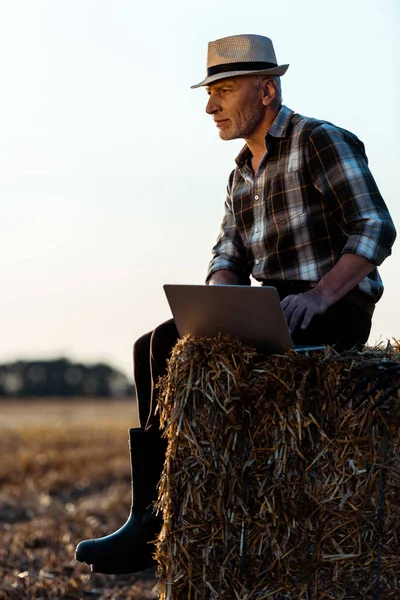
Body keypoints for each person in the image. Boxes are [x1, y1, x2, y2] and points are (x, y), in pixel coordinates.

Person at [75, 33, 396, 574]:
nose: (209, 106)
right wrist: (215, 306)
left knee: (175, 343)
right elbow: (228, 254)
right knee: (154, 344)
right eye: (209, 92)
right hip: (270, 309)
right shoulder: (239, 174)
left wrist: (318, 296)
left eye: (222, 90)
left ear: (267, 91)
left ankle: (158, 520)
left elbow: (375, 230)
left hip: (331, 311)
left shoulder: (319, 141)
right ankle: (153, 517)